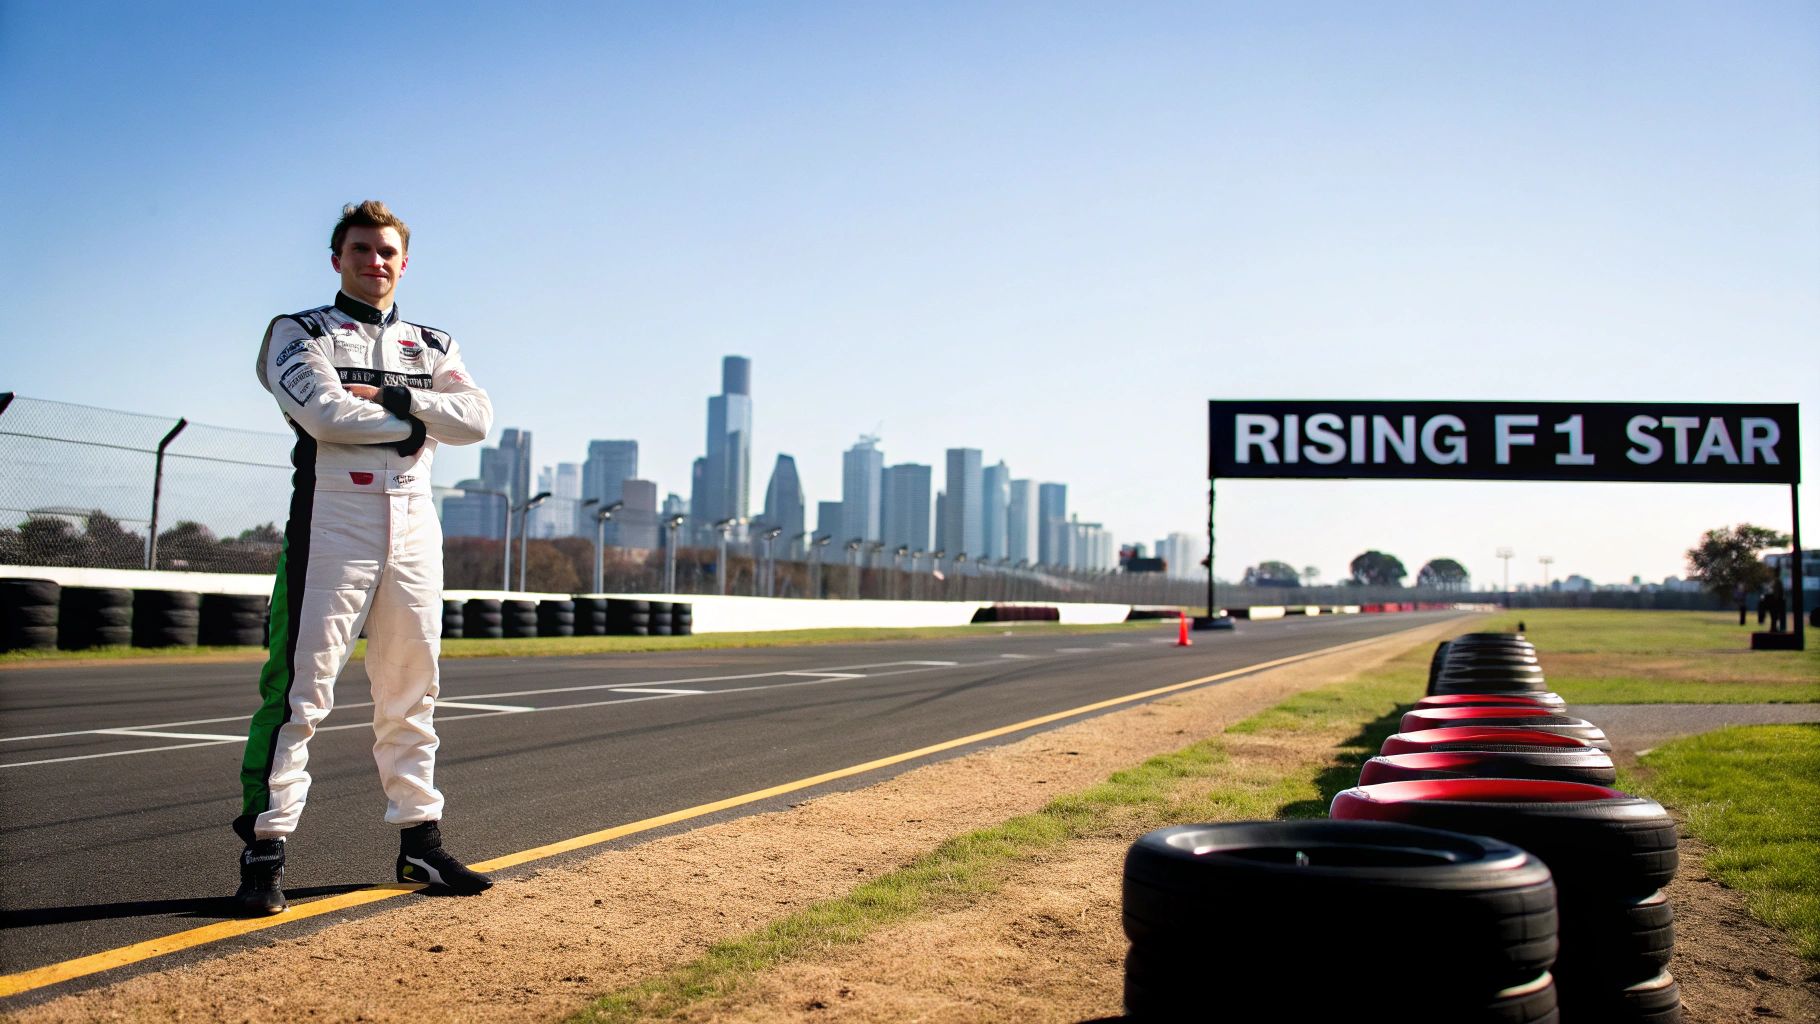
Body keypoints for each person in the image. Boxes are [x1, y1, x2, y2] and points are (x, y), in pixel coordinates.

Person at [234, 200, 495, 915]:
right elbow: (322, 414)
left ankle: (420, 843)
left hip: (415, 528)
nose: (373, 262)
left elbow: (476, 419)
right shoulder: (299, 331)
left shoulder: (434, 343)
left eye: (386, 252)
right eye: (360, 250)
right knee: (299, 695)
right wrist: (417, 418)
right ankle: (264, 850)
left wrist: (382, 395)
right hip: (332, 522)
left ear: (403, 262)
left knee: (414, 688)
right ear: (337, 259)